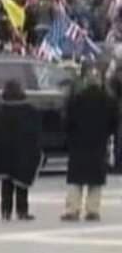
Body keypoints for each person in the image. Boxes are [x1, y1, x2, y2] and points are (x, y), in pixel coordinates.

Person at [61, 66, 119, 221]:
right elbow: (114, 121)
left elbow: (67, 120)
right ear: (99, 81)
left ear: (86, 81)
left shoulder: (77, 98)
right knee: (96, 179)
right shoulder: (108, 100)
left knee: (75, 179)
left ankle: (72, 210)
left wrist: (69, 137)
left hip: (78, 142)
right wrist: (107, 134)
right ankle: (93, 210)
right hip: (98, 142)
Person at [0, 79, 42, 221]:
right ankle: (22, 211)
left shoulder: (0, 110)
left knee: (6, 183)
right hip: (22, 152)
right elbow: (34, 133)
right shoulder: (28, 110)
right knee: (21, 184)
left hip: (4, 152)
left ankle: (5, 211)